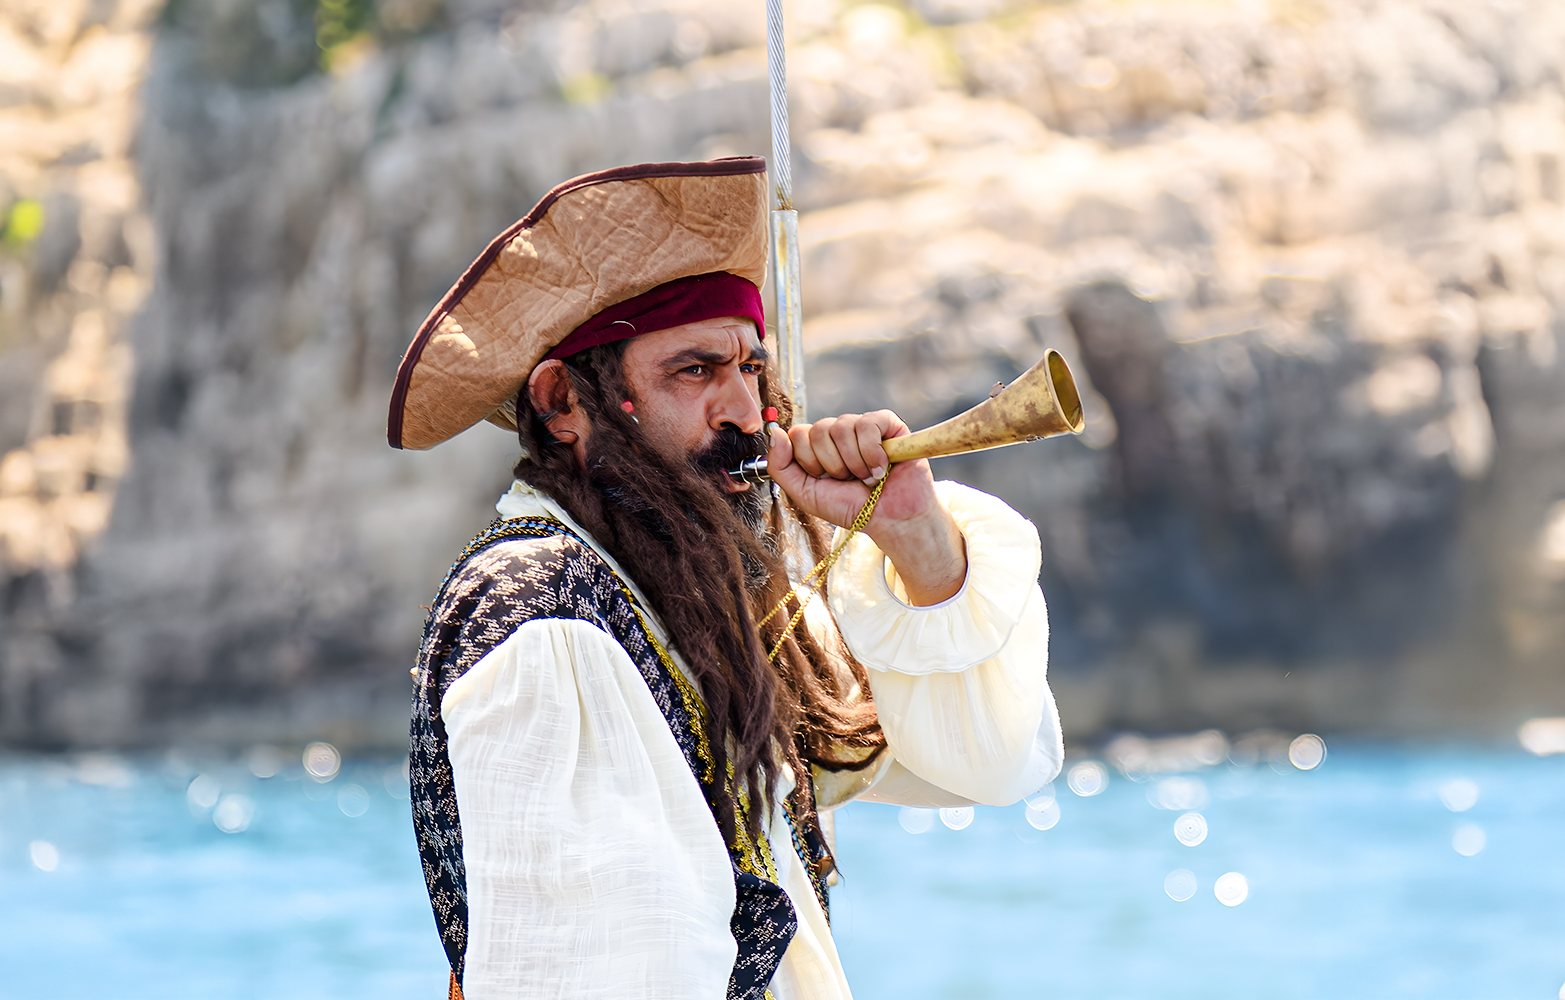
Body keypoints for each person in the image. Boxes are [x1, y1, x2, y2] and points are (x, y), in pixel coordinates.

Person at [388, 156, 1063, 1000]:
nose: (747, 412)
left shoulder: (687, 602)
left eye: (750, 369)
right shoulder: (547, 612)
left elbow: (985, 763)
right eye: (695, 371)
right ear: (564, 404)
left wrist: (911, 535)